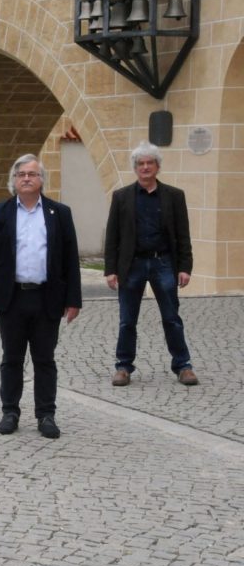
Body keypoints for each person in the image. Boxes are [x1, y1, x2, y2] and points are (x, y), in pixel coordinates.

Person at [0, 154, 81, 439]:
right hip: (12, 298)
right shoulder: (1, 213)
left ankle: (46, 414)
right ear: (14, 180)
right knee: (12, 358)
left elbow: (70, 258)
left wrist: (74, 299)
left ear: (41, 180)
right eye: (21, 174)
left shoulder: (59, 213)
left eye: (32, 174)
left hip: (47, 298)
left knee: (44, 359)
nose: (26, 178)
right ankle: (10, 411)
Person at [104, 142, 198, 387]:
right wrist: (110, 269)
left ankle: (183, 365)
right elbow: (112, 236)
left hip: (163, 263)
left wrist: (185, 267)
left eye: (150, 163)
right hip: (131, 265)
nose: (145, 167)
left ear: (157, 167)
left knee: (171, 318)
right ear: (135, 168)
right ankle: (123, 367)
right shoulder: (122, 197)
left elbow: (183, 234)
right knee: (127, 320)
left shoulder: (174, 196)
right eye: (140, 164)